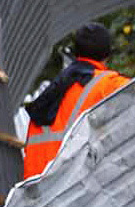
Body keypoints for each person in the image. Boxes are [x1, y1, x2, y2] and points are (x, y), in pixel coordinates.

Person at [19, 22, 128, 179]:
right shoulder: (108, 84)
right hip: (66, 183)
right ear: (107, 54)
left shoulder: (56, 87)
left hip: (34, 189)